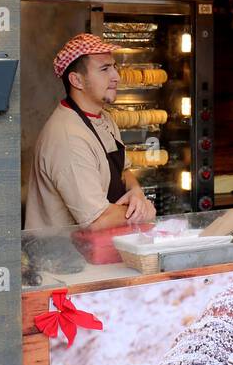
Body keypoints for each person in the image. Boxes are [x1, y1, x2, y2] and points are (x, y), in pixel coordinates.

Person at [25, 33, 156, 232]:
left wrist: (136, 192)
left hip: (97, 252)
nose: (116, 77)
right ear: (76, 80)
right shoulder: (67, 137)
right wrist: (143, 210)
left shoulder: (104, 119)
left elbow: (124, 172)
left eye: (114, 67)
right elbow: (97, 220)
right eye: (104, 69)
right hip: (64, 257)